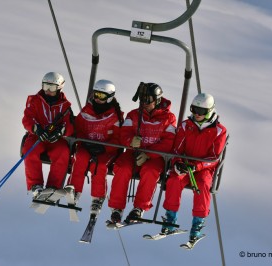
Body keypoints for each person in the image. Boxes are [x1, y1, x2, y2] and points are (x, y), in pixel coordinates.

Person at [162, 93, 227, 242]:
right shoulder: (186, 126)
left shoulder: (219, 130)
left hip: (204, 168)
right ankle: (170, 219)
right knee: (174, 180)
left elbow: (214, 157)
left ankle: (197, 224)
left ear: (210, 111)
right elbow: (177, 149)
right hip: (185, 165)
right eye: (194, 109)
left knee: (203, 184)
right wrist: (177, 162)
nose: (197, 114)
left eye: (202, 111)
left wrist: (197, 166)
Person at [108, 82, 177, 223]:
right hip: (133, 153)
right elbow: (123, 134)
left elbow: (168, 142)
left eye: (148, 100)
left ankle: (139, 208)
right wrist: (130, 141)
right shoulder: (134, 115)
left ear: (157, 100)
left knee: (150, 171)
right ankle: (117, 208)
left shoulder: (169, 118)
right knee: (122, 167)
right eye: (142, 99)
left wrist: (149, 154)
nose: (144, 103)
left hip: (155, 157)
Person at [66, 79, 124, 216]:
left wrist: (105, 148)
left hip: (105, 150)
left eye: (102, 96)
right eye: (96, 95)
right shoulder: (87, 111)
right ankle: (74, 190)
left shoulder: (115, 116)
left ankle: (97, 198)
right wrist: (82, 142)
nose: (98, 99)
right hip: (87, 145)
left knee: (99, 166)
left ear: (110, 97)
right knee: (79, 158)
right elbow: (78, 129)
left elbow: (118, 138)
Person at [21, 72, 74, 200]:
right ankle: (36, 185)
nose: (48, 91)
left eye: (52, 88)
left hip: (55, 140)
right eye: (46, 87)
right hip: (37, 137)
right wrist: (36, 128)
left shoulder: (65, 106)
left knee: (63, 152)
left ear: (60, 88)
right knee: (30, 149)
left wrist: (61, 132)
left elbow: (70, 125)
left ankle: (53, 186)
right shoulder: (34, 100)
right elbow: (27, 118)